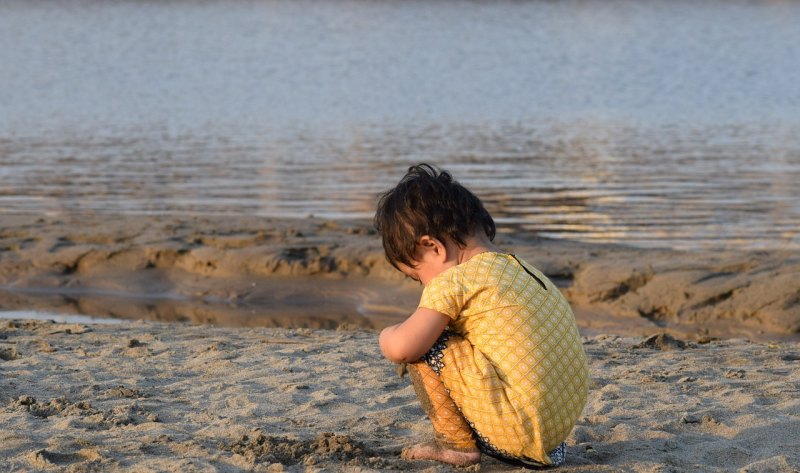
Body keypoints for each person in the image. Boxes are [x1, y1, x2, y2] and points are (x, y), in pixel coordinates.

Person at [375, 163, 589, 468]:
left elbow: (404, 347)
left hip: (516, 433)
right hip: (554, 436)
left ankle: (457, 446)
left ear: (433, 247)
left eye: (416, 276)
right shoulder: (521, 270)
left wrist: (388, 335)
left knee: (425, 343)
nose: (423, 285)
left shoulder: (455, 280)